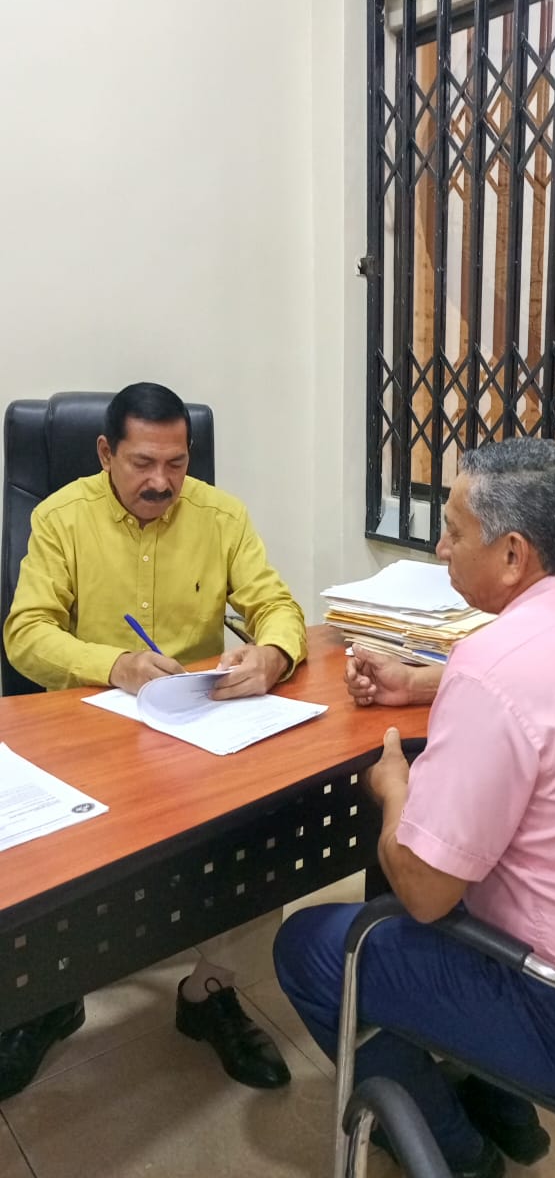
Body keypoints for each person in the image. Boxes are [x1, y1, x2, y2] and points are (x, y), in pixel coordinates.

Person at [274, 439, 555, 1178]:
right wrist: (421, 683)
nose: (441, 547)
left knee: (315, 946)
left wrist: (394, 791)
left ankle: (457, 1152)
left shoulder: (498, 667)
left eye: (454, 530)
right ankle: (504, 1109)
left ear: (513, 554)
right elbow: (551, 696)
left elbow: (424, 892)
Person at [1, 382, 307, 1101]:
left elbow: (275, 604)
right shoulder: (59, 517)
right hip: (88, 732)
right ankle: (48, 1000)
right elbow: (25, 633)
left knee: (263, 831)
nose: (162, 482)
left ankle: (210, 993)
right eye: (142, 463)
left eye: (176, 463)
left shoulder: (222, 516)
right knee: (46, 862)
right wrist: (116, 665)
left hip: (195, 733)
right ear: (105, 453)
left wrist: (273, 654)